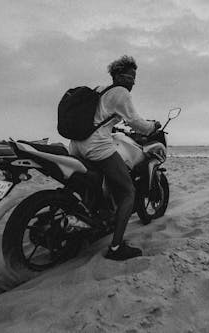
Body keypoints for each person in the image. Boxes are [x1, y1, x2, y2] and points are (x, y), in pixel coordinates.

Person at [69, 55, 159, 261]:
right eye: (131, 76)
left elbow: (99, 117)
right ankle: (117, 248)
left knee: (95, 183)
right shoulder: (121, 93)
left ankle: (94, 218)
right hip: (97, 147)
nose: (133, 81)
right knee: (128, 191)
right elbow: (136, 122)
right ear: (119, 76)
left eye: (135, 77)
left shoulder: (100, 90)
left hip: (76, 145)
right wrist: (153, 126)